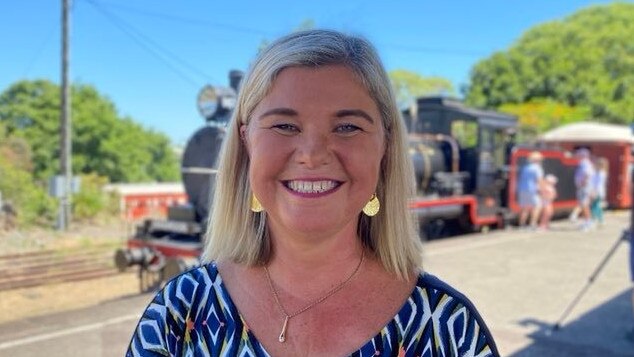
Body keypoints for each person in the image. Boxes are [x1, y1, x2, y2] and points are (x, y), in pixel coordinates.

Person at [126, 29, 498, 356]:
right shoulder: (178, 314)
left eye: (348, 127)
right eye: (285, 125)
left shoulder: (447, 329)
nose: (312, 154)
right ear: (246, 140)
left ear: (385, 146)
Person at [517, 151, 544, 229]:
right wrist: (542, 190)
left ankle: (522, 225)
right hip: (532, 190)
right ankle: (533, 224)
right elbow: (539, 180)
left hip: (522, 189)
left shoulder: (526, 168)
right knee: (537, 206)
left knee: (524, 207)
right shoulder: (537, 168)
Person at [572, 148, 595, 231]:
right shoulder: (584, 163)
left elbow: (587, 174)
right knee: (583, 205)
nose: (576, 156)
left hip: (584, 187)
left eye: (578, 154)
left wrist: (582, 183)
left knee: (584, 205)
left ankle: (588, 222)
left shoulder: (584, 163)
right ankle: (586, 221)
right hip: (584, 187)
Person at [590, 157, 608, 227]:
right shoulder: (599, 173)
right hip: (598, 191)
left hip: (597, 192)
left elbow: (598, 184)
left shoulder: (600, 174)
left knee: (594, 206)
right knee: (597, 206)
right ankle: (600, 220)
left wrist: (594, 192)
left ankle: (595, 219)